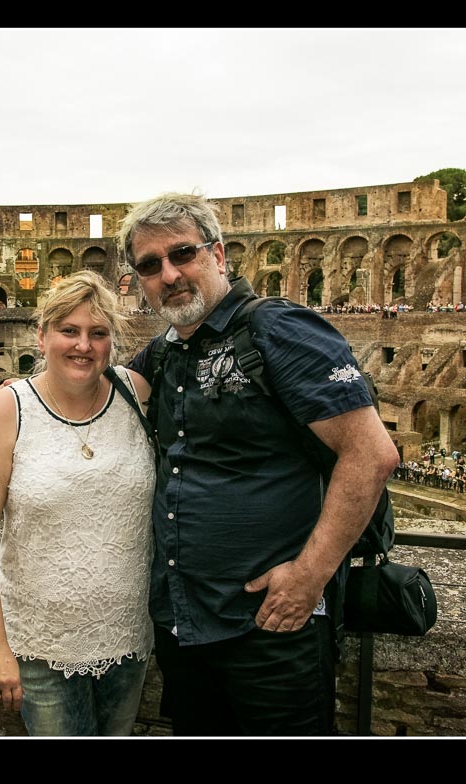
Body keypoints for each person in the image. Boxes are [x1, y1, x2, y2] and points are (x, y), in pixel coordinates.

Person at [118, 192, 400, 735]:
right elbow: (93, 390)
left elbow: (371, 454)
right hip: (185, 624)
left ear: (218, 254)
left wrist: (309, 578)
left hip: (271, 626)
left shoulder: (278, 329)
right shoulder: (166, 351)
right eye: (150, 265)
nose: (169, 275)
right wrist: (18, 396)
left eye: (183, 254)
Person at [0, 270, 156, 736]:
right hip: (41, 644)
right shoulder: (6, 410)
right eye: (69, 330)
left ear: (112, 341)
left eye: (98, 333)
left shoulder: (137, 393)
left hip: (128, 636)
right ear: (42, 335)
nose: (83, 345)